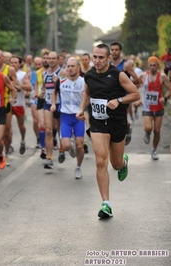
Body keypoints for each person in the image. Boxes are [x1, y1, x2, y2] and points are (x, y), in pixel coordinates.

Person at [76, 43, 140, 219]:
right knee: (100, 161)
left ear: (108, 58)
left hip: (117, 123)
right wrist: (82, 109)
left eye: (101, 57)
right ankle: (106, 204)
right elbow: (87, 93)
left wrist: (119, 100)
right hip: (98, 123)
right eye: (94, 57)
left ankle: (123, 164)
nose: (97, 61)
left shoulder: (118, 75)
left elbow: (136, 94)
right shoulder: (88, 75)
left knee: (115, 164)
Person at [51, 58, 85, 179]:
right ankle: (69, 145)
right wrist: (54, 103)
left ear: (78, 68)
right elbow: (54, 93)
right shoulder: (61, 81)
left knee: (80, 146)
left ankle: (78, 167)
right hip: (65, 116)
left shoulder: (84, 82)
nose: (70, 68)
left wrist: (84, 110)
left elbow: (89, 97)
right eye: (68, 66)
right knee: (65, 146)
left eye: (72, 66)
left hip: (78, 117)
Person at [137, 56, 171, 160]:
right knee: (148, 127)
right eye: (151, 65)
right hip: (147, 107)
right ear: (148, 66)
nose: (152, 67)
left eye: (154, 65)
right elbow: (136, 87)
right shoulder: (143, 76)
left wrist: (164, 98)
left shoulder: (163, 77)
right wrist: (137, 99)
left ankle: (154, 149)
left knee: (157, 130)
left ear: (158, 66)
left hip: (159, 107)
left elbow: (170, 89)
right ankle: (147, 133)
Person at [42, 51, 62, 169]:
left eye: (54, 58)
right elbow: (44, 88)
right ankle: (49, 157)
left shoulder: (62, 72)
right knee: (48, 130)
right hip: (47, 104)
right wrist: (42, 93)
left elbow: (65, 88)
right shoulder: (45, 73)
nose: (51, 60)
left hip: (60, 104)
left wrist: (57, 82)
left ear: (58, 59)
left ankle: (62, 149)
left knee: (59, 129)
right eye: (49, 58)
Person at [9, 55, 32, 154]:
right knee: (7, 127)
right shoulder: (5, 73)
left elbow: (29, 87)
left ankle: (22, 141)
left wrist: (18, 85)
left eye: (16, 63)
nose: (13, 64)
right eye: (12, 62)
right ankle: (10, 145)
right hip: (8, 103)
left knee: (21, 125)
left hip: (19, 103)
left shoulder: (22, 74)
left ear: (20, 64)